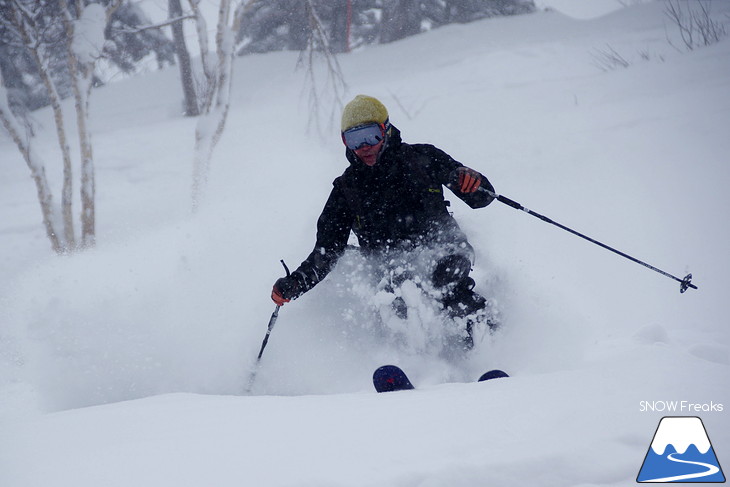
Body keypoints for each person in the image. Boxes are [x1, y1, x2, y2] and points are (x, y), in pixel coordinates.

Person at [271, 95, 496, 347]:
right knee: (395, 294)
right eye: (355, 139)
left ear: (386, 130)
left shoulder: (423, 158)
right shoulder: (346, 189)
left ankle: (486, 343)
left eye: (371, 135)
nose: (364, 146)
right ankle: (415, 367)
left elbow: (481, 198)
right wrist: (295, 284)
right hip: (389, 264)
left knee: (446, 283)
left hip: (444, 248)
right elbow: (328, 250)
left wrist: (470, 182)